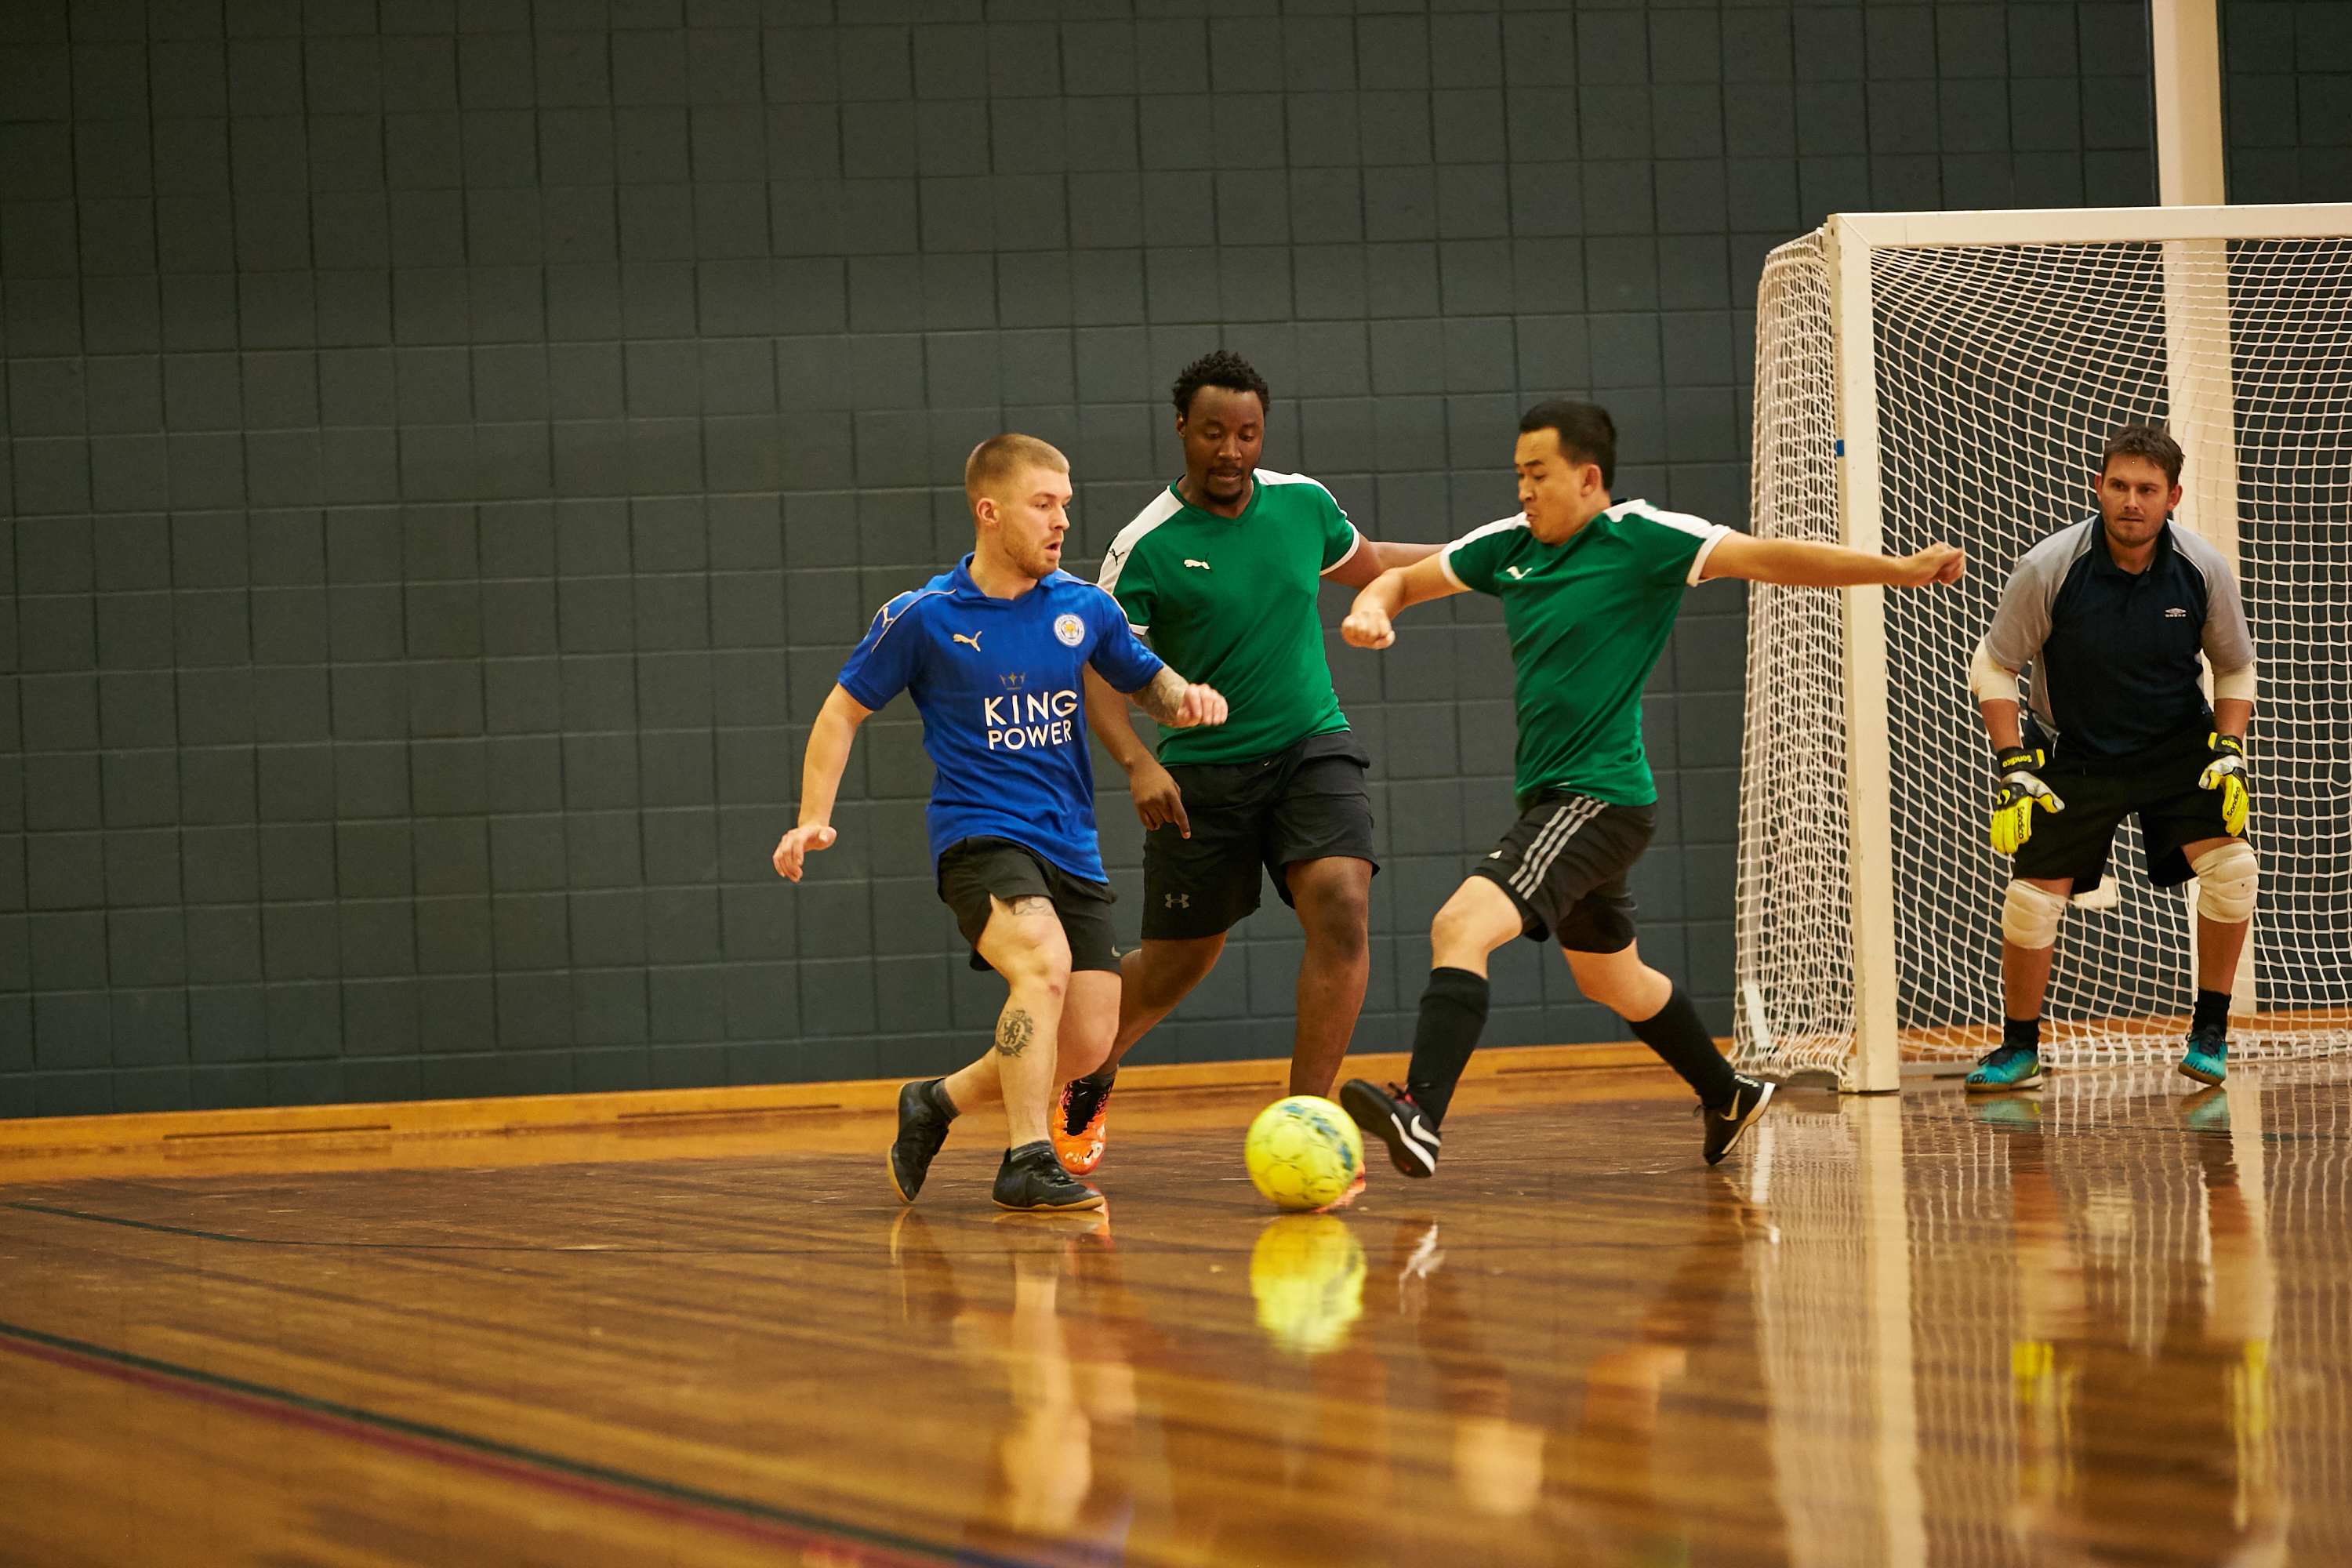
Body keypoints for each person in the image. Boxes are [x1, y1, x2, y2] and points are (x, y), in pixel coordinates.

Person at [1334, 399, 1965, 1174]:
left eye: (1538, 474)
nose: (1524, 489)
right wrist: (1373, 607)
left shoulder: (1645, 537)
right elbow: (1402, 580)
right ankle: (1727, 1091)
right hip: (1562, 799)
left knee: (1460, 924)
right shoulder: (1509, 546)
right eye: (1518, 474)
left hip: (1596, 797)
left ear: (1588, 478)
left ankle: (1421, 1113)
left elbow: (1770, 558)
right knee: (1610, 976)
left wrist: (1896, 570)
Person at [773, 434, 1227, 1211]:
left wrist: (1186, 700)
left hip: (1070, 844)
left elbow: (1147, 682)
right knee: (1042, 963)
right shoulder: (925, 616)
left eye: (1066, 505)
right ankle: (1026, 1157)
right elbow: (841, 711)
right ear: (989, 512)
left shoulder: (1085, 608)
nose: (1062, 521)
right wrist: (813, 818)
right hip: (980, 837)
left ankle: (936, 1101)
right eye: (1043, 504)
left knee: (1085, 1041)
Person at [1059, 350, 1440, 1176]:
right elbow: (1098, 672)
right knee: (1176, 963)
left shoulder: (1304, 504)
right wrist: (1137, 763)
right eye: (1212, 433)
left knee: (1342, 904)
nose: (1231, 451)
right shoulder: (1145, 545)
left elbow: (1377, 563)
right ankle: (1088, 1068)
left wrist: (1493, 555)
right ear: (1181, 429)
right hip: (1204, 772)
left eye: (1247, 433)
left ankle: (1308, 1121)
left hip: (1312, 746)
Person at [1963, 423, 2257, 1091]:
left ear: (2172, 496)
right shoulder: (2049, 566)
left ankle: (2210, 1033)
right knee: (2030, 903)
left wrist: (2231, 750)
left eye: (2147, 490)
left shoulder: (2202, 568)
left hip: (2178, 749)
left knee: (2235, 871)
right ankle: (2020, 1049)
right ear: (2098, 487)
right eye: (2119, 486)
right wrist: (2013, 764)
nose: (2131, 501)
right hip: (2075, 751)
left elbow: (2235, 667)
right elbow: (1994, 664)